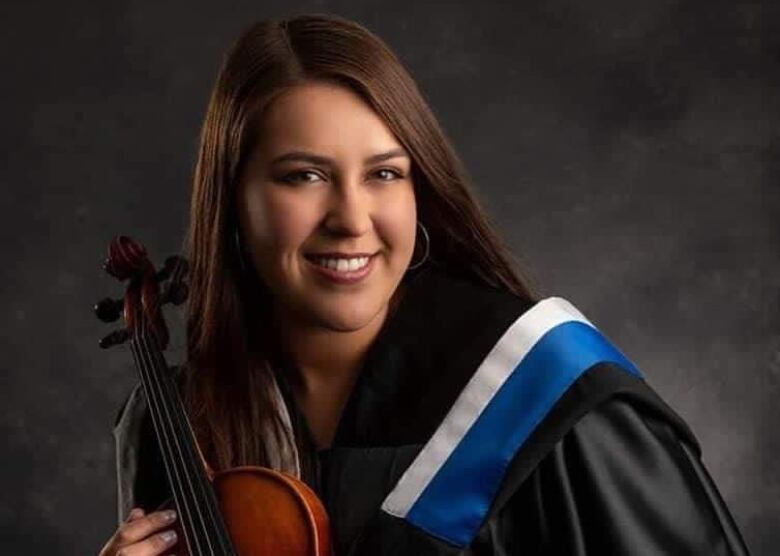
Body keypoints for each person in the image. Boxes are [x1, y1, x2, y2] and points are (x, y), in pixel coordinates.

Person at [99, 13, 751, 556]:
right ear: (233, 198)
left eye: (384, 174)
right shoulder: (179, 423)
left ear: (421, 189)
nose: (352, 219)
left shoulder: (547, 395)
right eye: (304, 176)